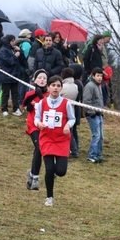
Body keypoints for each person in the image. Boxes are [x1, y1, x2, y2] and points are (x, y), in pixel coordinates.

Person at [34, 75, 76, 207]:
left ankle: (55, 175)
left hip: (62, 139)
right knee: (49, 169)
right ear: (48, 87)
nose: (55, 88)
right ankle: (49, 197)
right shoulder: (42, 103)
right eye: (53, 85)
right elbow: (36, 118)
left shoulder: (66, 103)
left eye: (58, 86)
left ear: (61, 88)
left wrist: (67, 125)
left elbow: (72, 118)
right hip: (47, 138)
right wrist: (39, 123)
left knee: (61, 171)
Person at [23, 69, 49, 190]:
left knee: (42, 150)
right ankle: (35, 179)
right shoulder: (29, 94)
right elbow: (26, 107)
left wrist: (40, 96)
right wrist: (31, 101)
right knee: (39, 148)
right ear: (34, 80)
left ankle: (32, 173)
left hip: (45, 126)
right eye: (40, 77)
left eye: (44, 78)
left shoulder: (50, 95)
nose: (42, 80)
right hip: (33, 124)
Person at [0, 34, 25, 117]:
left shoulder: (13, 49)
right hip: (6, 75)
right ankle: (4, 109)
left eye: (14, 41)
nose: (14, 42)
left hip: (15, 75)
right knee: (5, 93)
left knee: (15, 93)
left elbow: (22, 59)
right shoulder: (3, 50)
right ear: (8, 41)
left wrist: (20, 51)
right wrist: (15, 56)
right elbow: (9, 62)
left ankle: (16, 108)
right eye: (12, 41)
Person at [83, 67, 105, 163]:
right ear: (93, 76)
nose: (100, 78)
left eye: (101, 76)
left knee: (101, 136)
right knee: (96, 135)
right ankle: (91, 155)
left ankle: (98, 155)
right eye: (98, 76)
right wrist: (91, 113)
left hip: (99, 114)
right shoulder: (90, 86)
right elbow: (86, 101)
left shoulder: (98, 86)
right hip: (93, 115)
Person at [60, 67, 79, 158]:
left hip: (63, 111)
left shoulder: (63, 87)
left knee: (66, 133)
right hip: (72, 110)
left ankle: (72, 150)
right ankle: (74, 150)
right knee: (70, 132)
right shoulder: (75, 86)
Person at [15, 29, 33, 107]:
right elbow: (26, 56)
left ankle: (19, 99)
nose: (30, 35)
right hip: (24, 66)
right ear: (25, 35)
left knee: (20, 83)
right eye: (29, 34)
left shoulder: (19, 43)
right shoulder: (26, 43)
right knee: (24, 83)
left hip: (19, 66)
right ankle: (22, 100)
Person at [69, 63, 84, 153]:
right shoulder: (79, 83)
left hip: (75, 109)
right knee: (73, 130)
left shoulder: (76, 84)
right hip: (76, 109)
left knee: (73, 130)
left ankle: (74, 148)